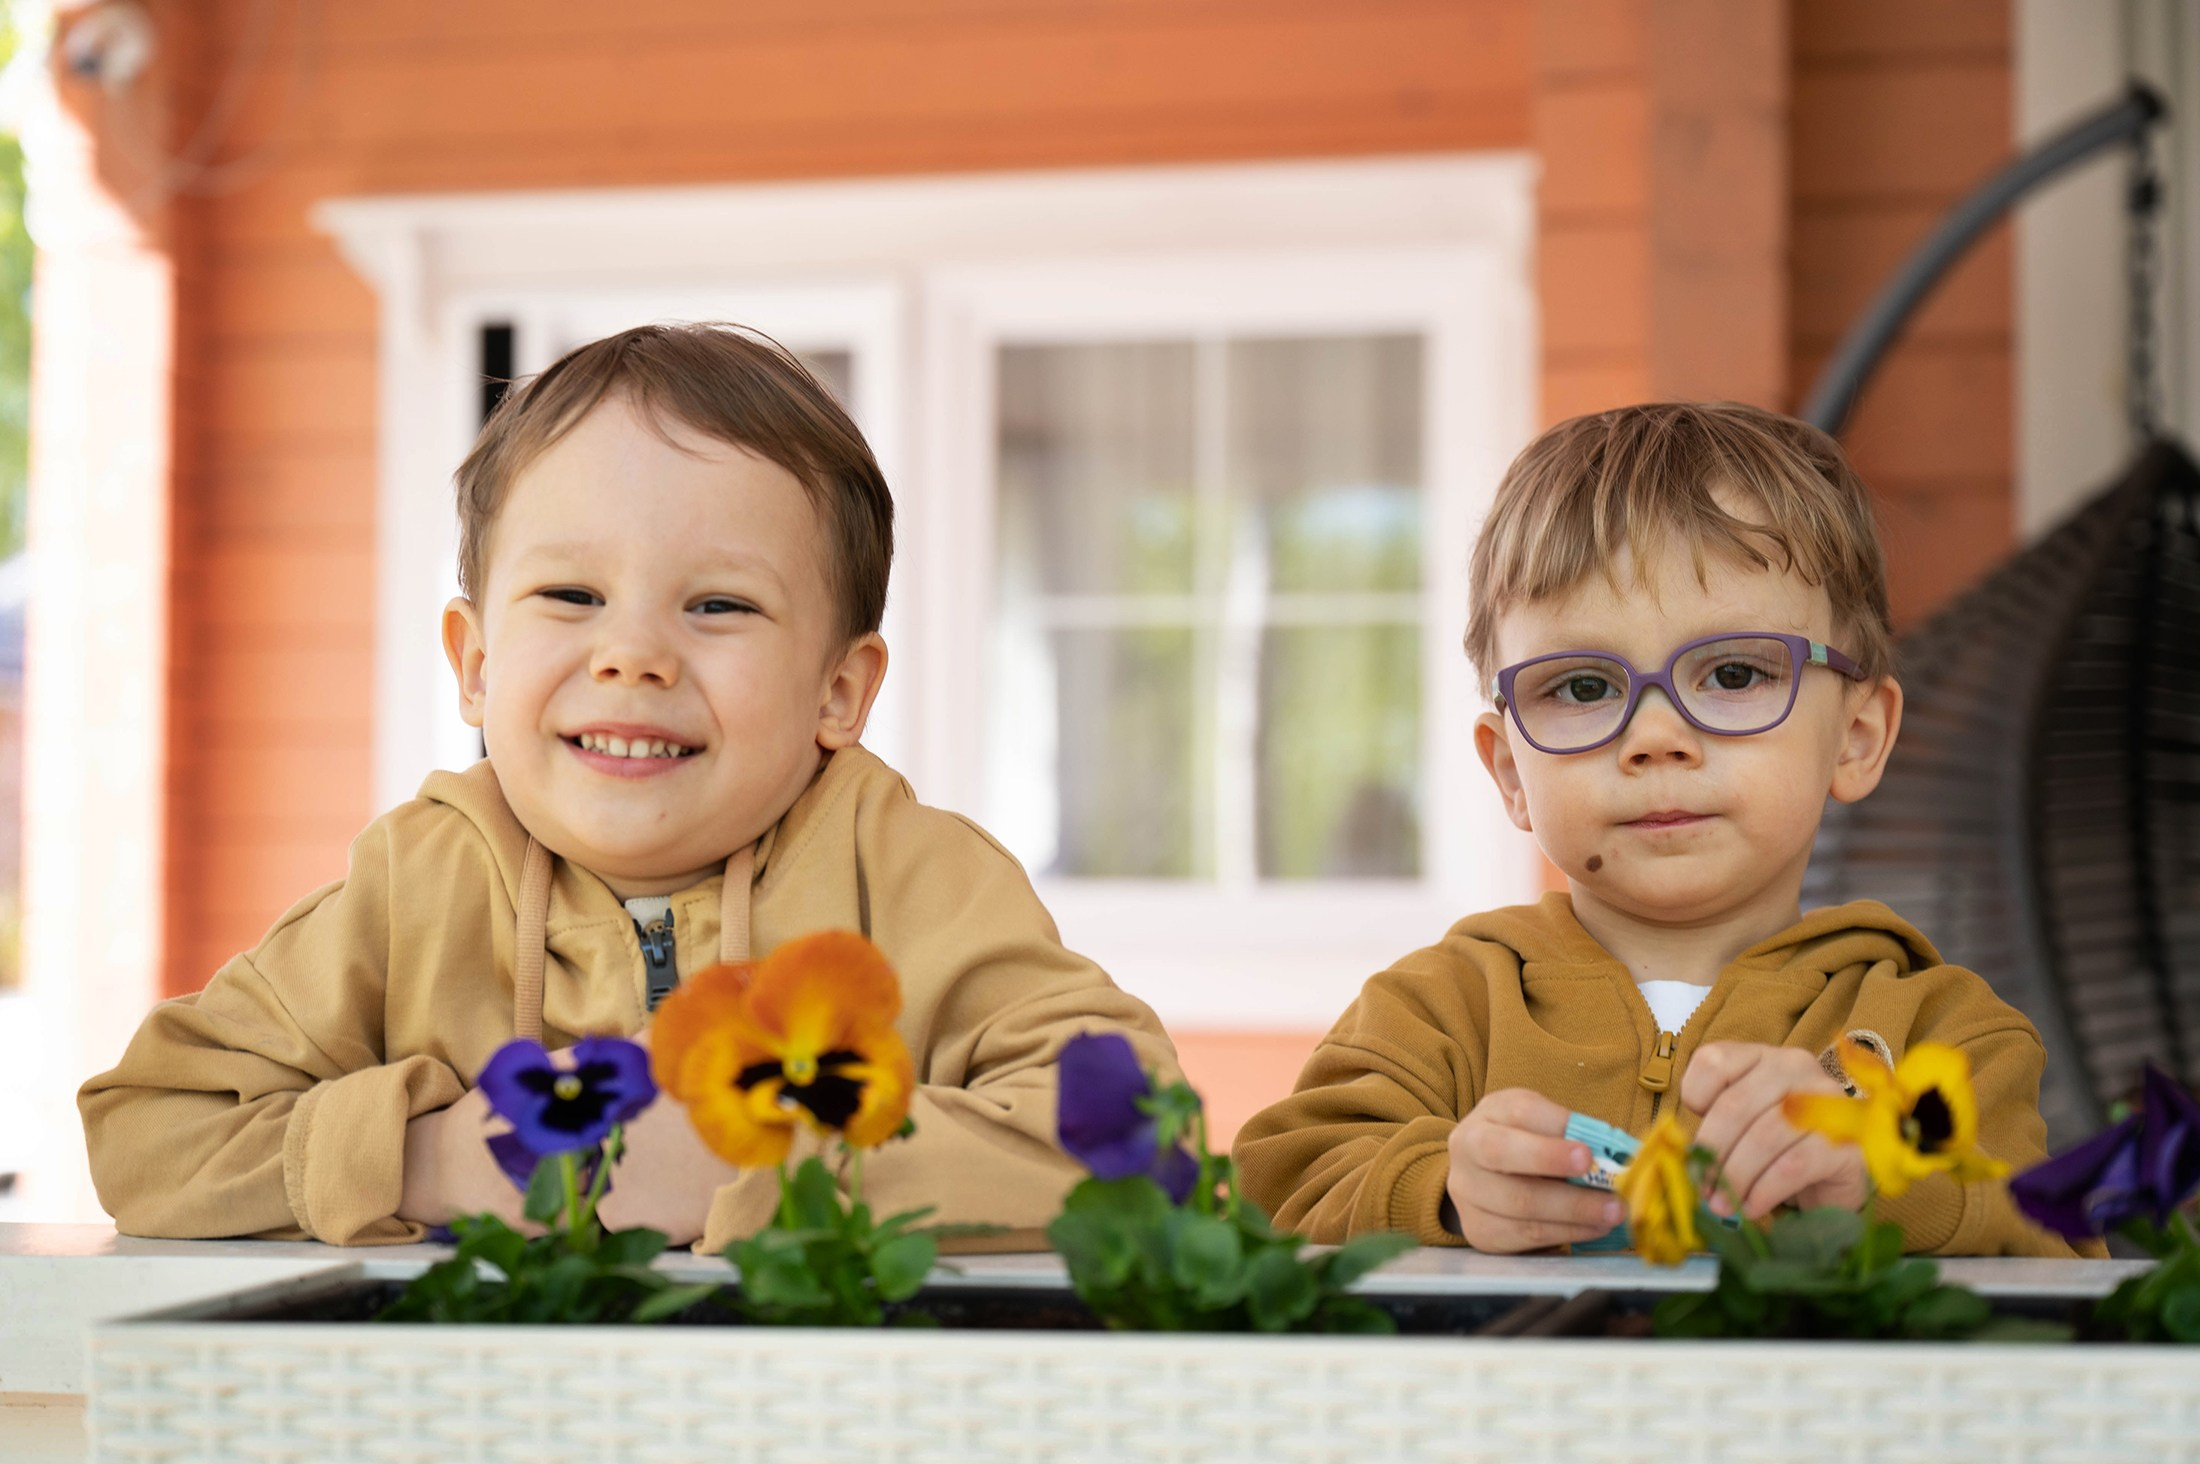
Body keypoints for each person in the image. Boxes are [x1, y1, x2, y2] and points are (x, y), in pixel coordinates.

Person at [81, 323, 1176, 1250]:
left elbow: (1140, 1136)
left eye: (719, 607)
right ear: (473, 664)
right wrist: (427, 1162)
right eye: (570, 593)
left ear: (839, 691)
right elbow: (150, 1130)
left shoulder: (911, 875)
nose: (632, 655)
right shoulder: (414, 886)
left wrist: (770, 1167)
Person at [1234, 402, 2085, 1258]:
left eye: (1735, 672)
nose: (1655, 738)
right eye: (1582, 688)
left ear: (1857, 739)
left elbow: (2051, 1252)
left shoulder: (1943, 1033)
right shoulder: (1440, 1011)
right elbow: (1282, 1189)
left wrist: (1882, 1185)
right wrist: (1443, 1190)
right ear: (1509, 771)